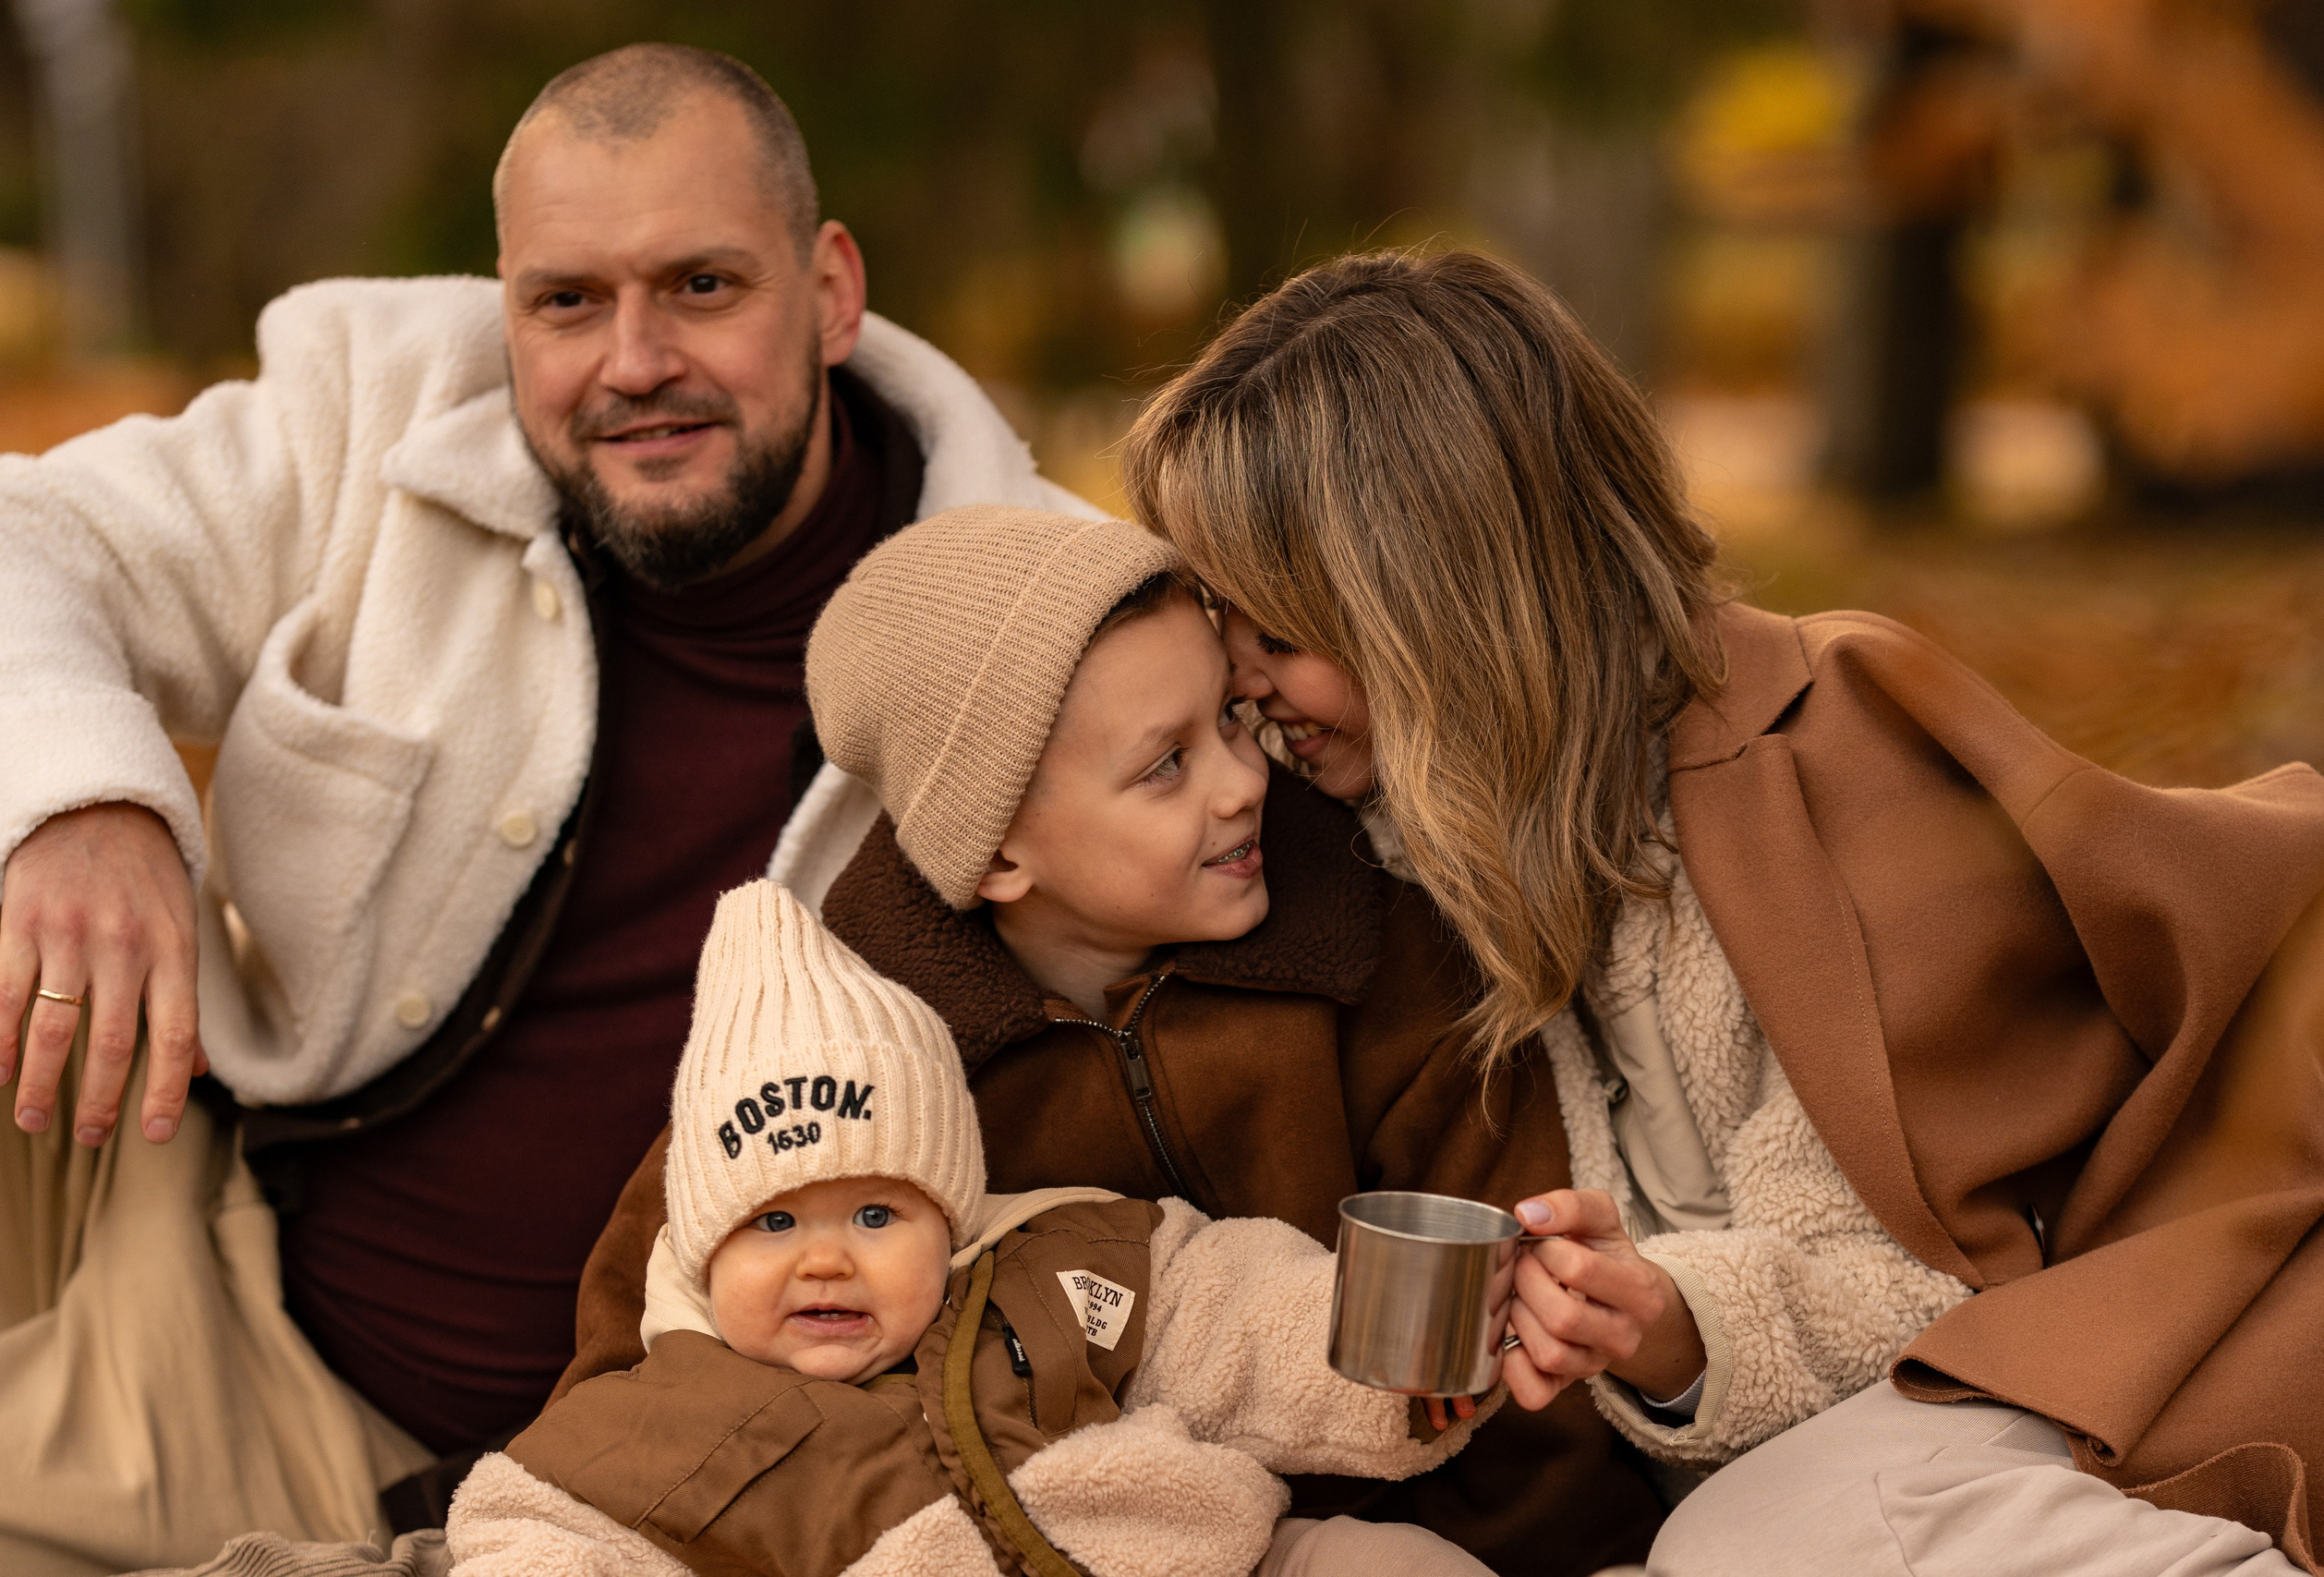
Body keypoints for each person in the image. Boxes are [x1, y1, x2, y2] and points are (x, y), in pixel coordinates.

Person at [0, 42, 1092, 1575]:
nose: (631, 361)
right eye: (567, 300)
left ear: (830, 291)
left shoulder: (1039, 612)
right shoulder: (372, 417)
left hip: (643, 1492)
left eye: (701, 286)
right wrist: (83, 797)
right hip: (224, 1292)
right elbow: (0, 534)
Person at [1117, 246, 2324, 1575]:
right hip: (1884, 1439)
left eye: (1277, 636)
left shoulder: (1816, 769)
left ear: (1434, 614)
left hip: (2141, 1336)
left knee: (1766, 1536)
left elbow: (1937, 1285)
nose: (1243, 686)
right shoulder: (1418, 834)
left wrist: (1675, 1317)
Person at [560, 503, 1669, 1577]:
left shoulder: (1381, 960)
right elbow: (645, 1335)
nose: (1245, 783)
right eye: (1164, 765)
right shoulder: (851, 1046)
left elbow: (1526, 1346)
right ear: (996, 855)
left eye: (1231, 720)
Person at [446, 879, 1501, 1577]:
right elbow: (534, 1537)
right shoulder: (651, 1425)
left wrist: (1423, 1336)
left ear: (946, 1214)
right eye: (772, 1222)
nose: (826, 1258)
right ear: (702, 1247)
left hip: (1190, 1547)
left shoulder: (1056, 1267)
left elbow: (1237, 1320)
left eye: (874, 1213)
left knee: (1381, 1564)